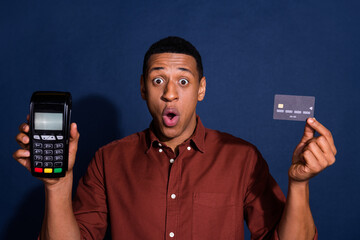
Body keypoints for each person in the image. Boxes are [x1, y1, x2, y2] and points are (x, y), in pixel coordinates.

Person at [13, 36, 337, 240]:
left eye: (183, 81)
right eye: (158, 80)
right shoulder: (108, 160)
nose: (170, 93)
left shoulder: (243, 158)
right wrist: (57, 186)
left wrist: (299, 184)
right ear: (143, 88)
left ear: (201, 89)